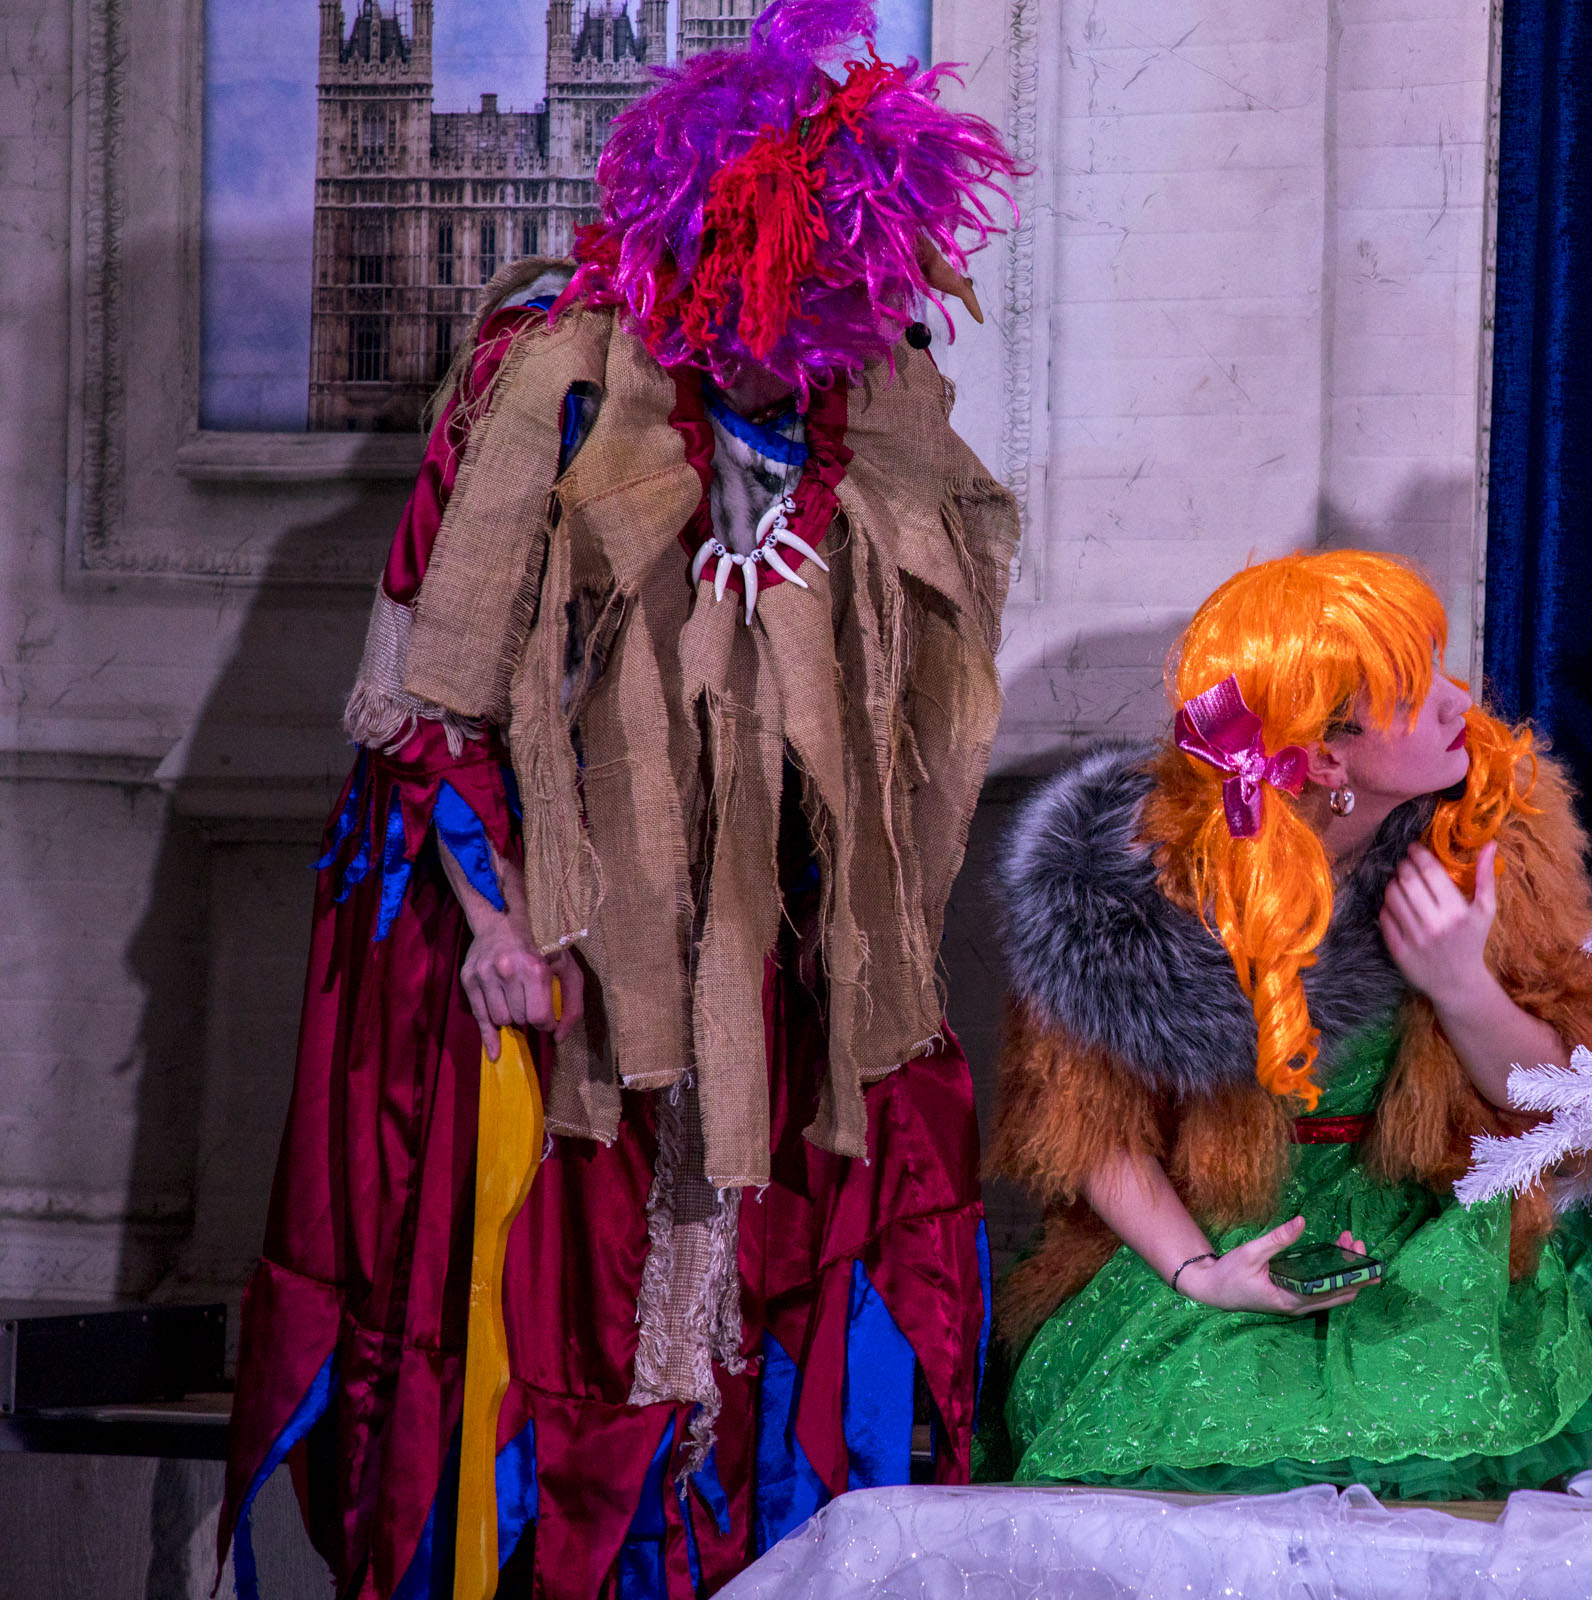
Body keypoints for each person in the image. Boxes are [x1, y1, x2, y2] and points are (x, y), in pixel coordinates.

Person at [218, 5, 1021, 1595]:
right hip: (567, 941)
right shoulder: (554, 383)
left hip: (794, 947)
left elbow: (924, 652)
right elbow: (433, 688)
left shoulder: (884, 394)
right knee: (565, 1328)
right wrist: (497, 922)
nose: (815, 330)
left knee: (792, 1317)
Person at [987, 550, 1592, 1498]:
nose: (1459, 701)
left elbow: (1570, 1104)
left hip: (1428, 1224)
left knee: (1437, 1400)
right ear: (1325, 757)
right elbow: (1091, 1130)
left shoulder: (1492, 835)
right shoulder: (1123, 887)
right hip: (1217, 1225)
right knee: (1181, 1413)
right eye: (1415, 689)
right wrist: (1201, 1274)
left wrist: (1461, 986)